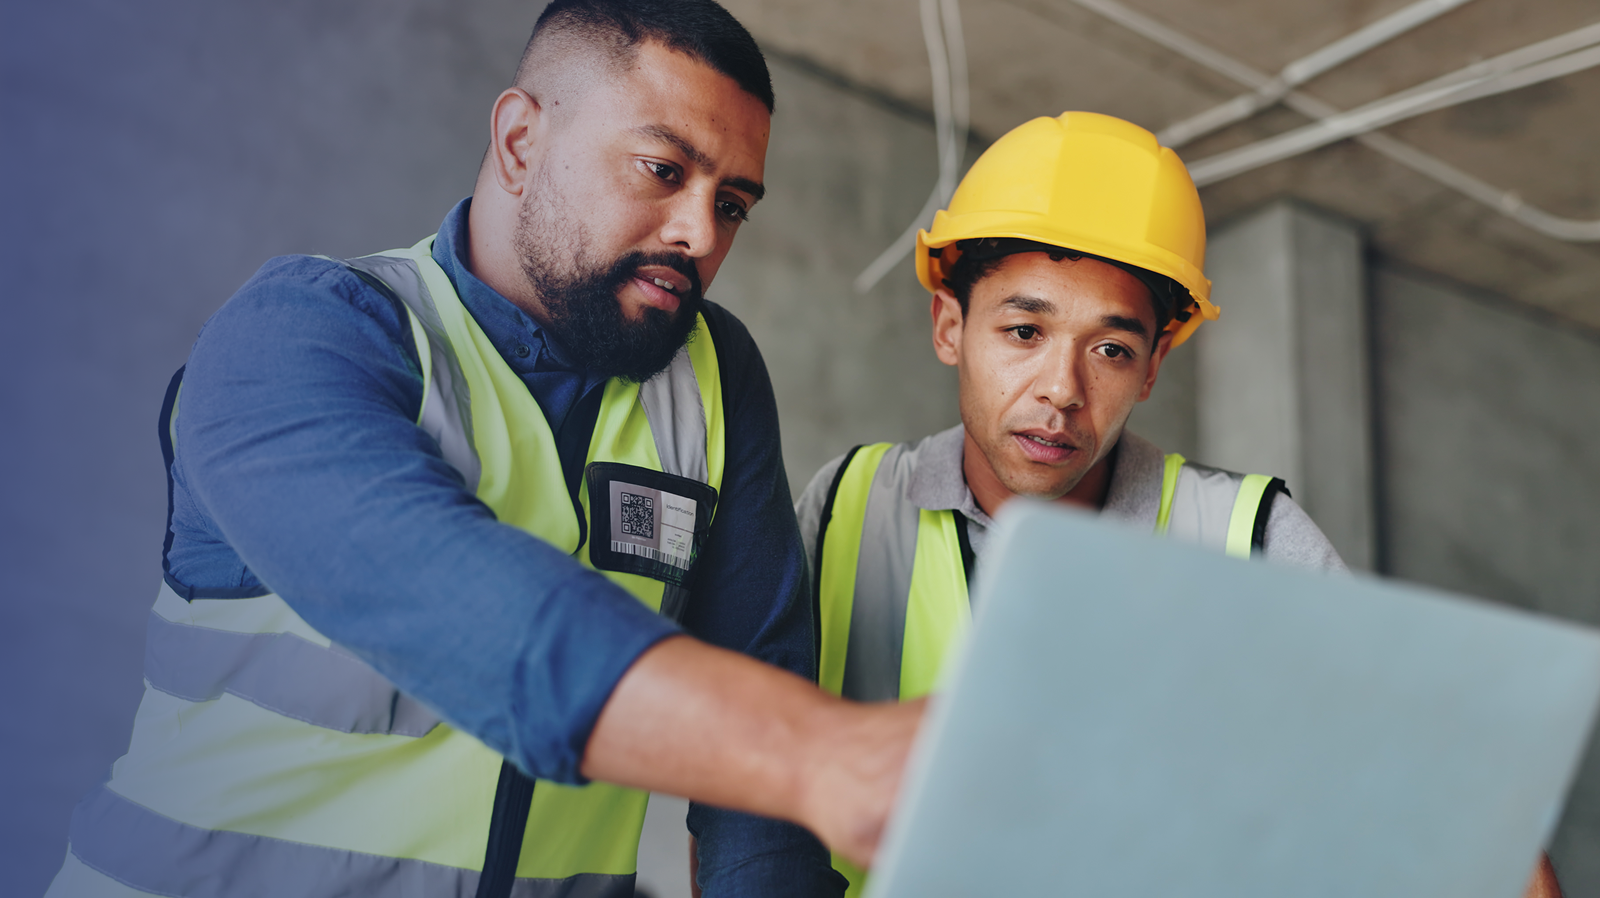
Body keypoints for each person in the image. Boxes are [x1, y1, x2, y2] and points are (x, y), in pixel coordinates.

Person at [46, 2, 918, 896]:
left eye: (731, 204)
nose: (700, 235)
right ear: (519, 141)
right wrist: (814, 749)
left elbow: (755, 814)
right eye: (663, 171)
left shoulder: (714, 377)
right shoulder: (301, 338)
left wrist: (791, 780)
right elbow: (465, 610)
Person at [796, 111, 1563, 898]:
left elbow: (1460, 801)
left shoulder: (1247, 541)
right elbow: (745, 807)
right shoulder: (846, 508)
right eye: (1025, 330)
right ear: (950, 325)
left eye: (1111, 350)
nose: (1062, 389)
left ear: (1155, 364)